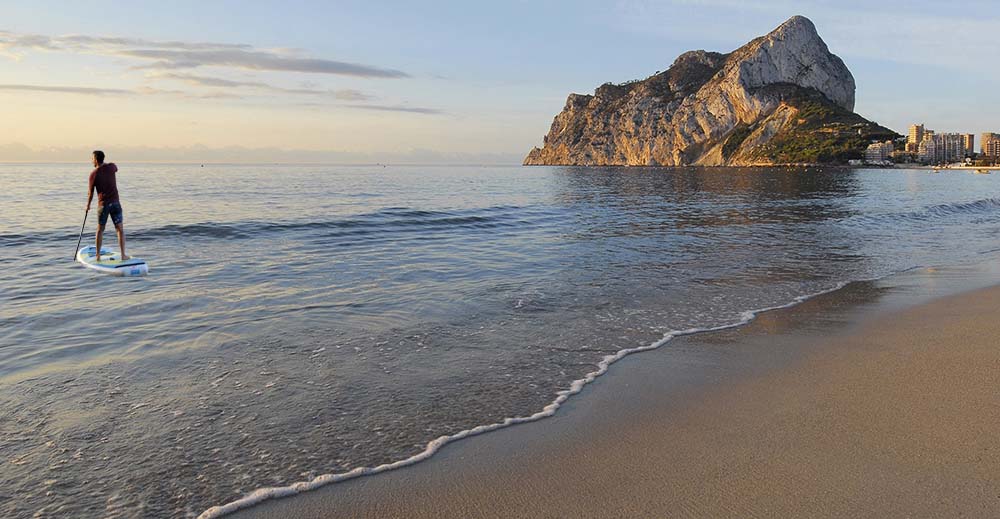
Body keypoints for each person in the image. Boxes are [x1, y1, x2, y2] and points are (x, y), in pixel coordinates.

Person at [85, 150, 129, 261]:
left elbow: (91, 193)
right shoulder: (111, 167)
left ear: (95, 159)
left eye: (92, 159)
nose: (91, 161)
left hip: (103, 205)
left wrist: (88, 205)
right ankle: (123, 255)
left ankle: (98, 255)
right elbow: (116, 168)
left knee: (100, 230)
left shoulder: (93, 174)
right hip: (115, 203)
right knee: (120, 229)